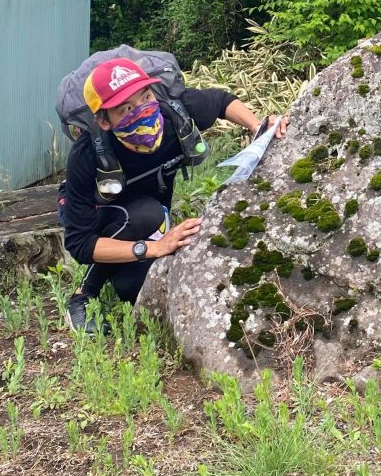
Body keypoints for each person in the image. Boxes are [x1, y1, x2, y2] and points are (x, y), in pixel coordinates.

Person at [59, 57, 288, 330]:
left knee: (132, 287)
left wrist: (258, 125)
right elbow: (81, 243)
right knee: (145, 214)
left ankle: (122, 269)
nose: (142, 111)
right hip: (103, 212)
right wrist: (154, 248)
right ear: (103, 120)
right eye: (126, 109)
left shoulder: (175, 113)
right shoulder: (87, 154)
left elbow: (221, 101)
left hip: (153, 212)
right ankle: (82, 296)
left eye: (146, 97)